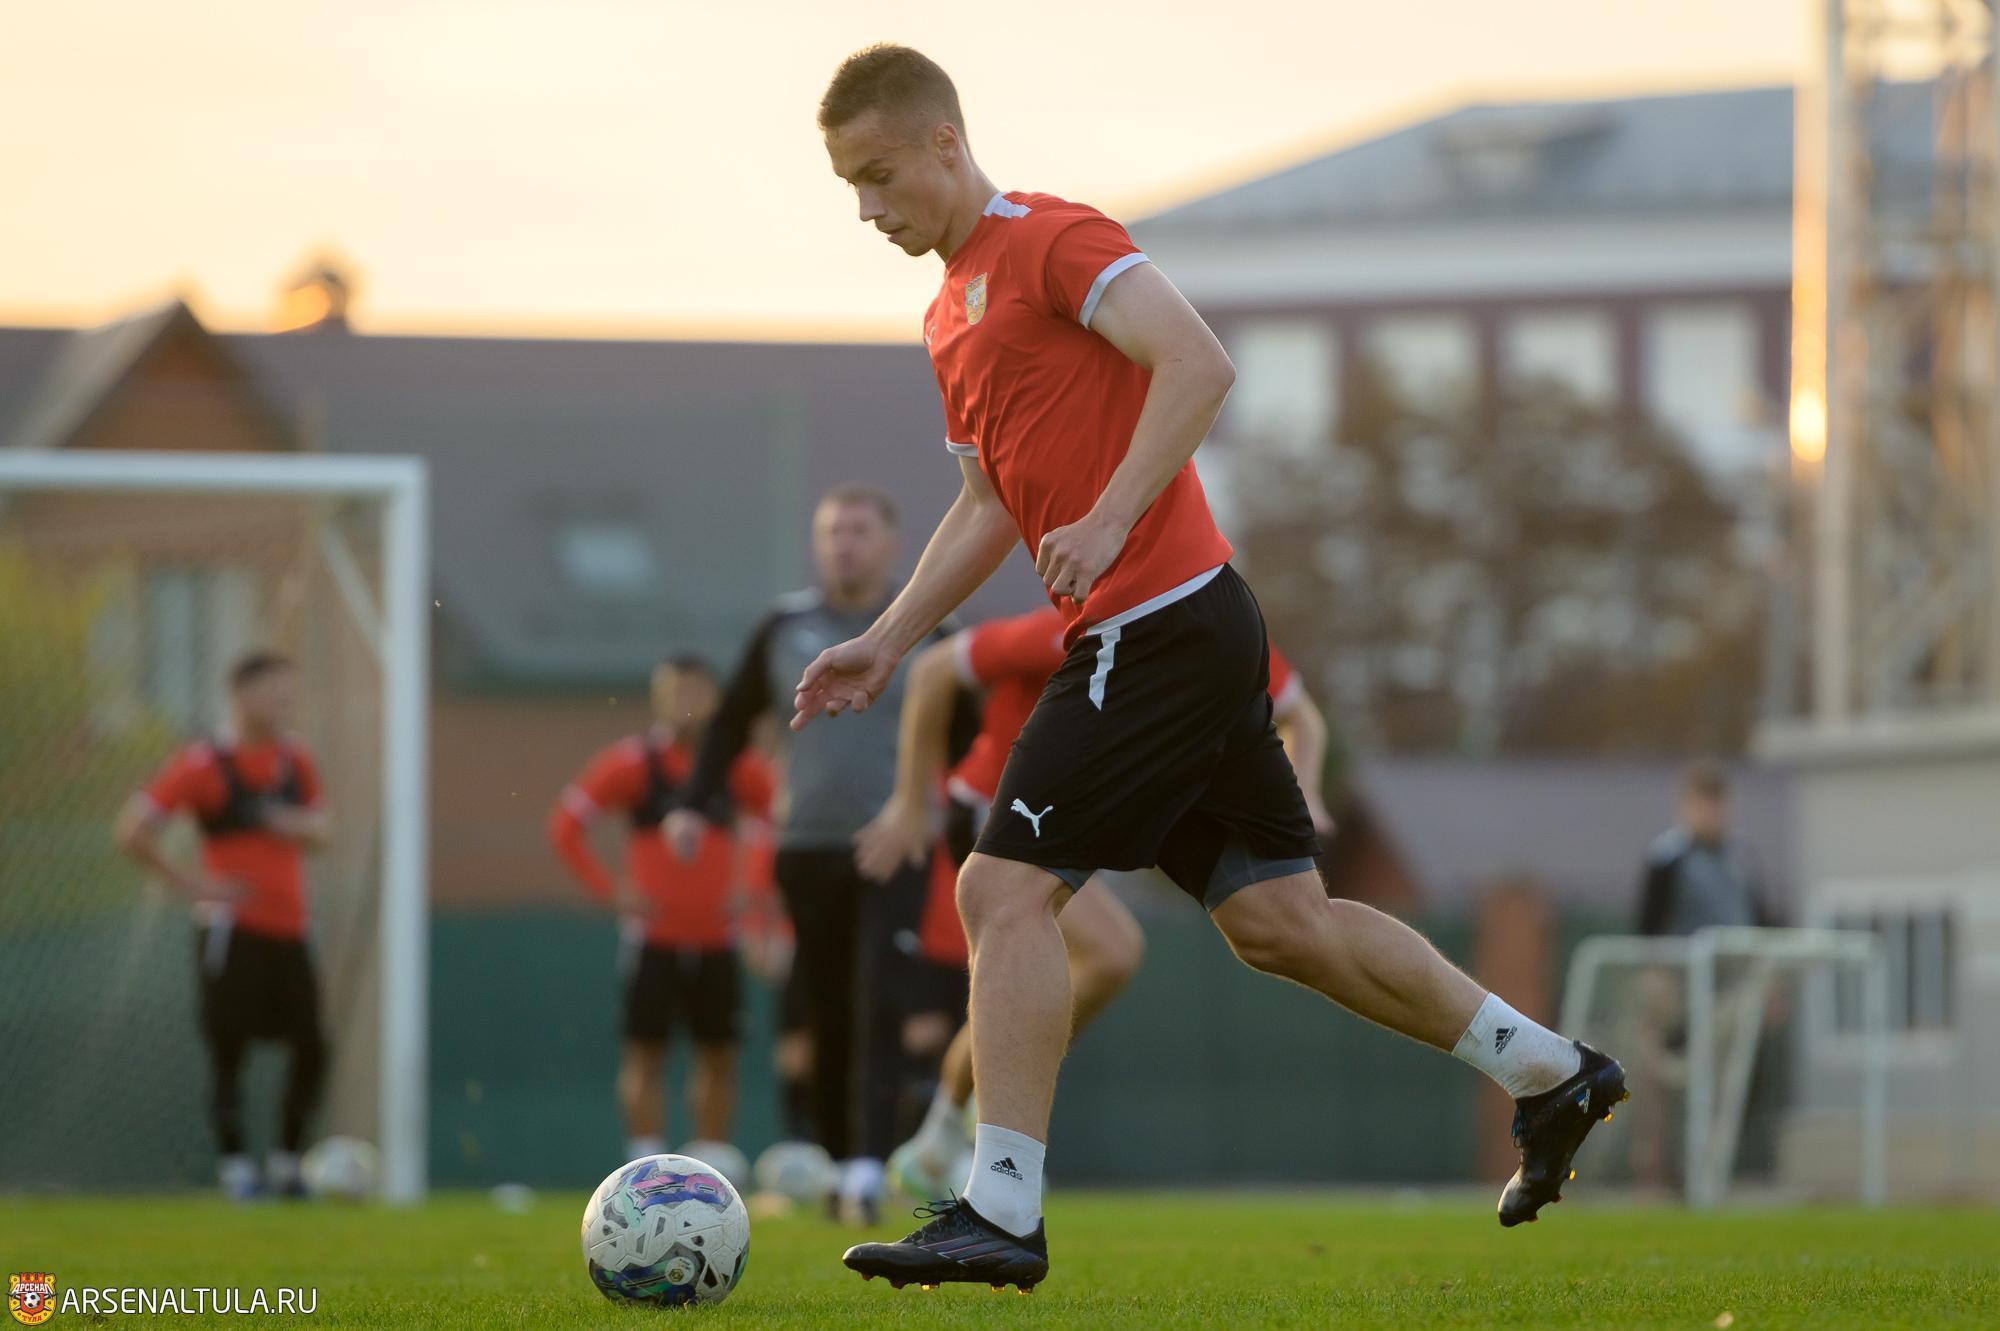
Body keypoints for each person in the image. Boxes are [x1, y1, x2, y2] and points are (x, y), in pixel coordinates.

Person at [803, 44, 1627, 1290]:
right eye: (847, 187)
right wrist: (887, 635)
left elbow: (1198, 362)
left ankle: (999, 1208)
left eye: (878, 174)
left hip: (1159, 623)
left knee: (999, 892)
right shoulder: (946, 315)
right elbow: (986, 504)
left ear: (943, 144)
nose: (867, 207)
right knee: (1280, 924)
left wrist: (1109, 515)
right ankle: (1551, 1071)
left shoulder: (1050, 238)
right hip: (1174, 629)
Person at [857, 606, 1336, 1186]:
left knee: (1077, 968)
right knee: (1109, 952)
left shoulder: (1213, 633)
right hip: (997, 809)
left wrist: (1302, 794)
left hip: (1077, 822)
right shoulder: (1075, 631)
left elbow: (1302, 718)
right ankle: (982, 1138)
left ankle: (943, 1136)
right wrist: (911, 801)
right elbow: (935, 669)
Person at [666, 484, 949, 1224]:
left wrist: (948, 817)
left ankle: (869, 1168)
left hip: (894, 846)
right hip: (807, 847)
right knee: (825, 1009)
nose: (843, 544)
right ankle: (834, 1160)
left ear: (891, 543)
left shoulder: (929, 625)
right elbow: (730, 722)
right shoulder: (785, 626)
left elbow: (976, 736)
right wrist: (692, 803)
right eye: (832, 531)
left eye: (859, 530)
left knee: (882, 997)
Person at [115, 650, 331, 1201]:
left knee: (312, 1046)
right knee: (229, 1050)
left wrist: (293, 824)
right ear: (241, 696)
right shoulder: (201, 764)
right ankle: (237, 1172)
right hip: (231, 931)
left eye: (289, 695)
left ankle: (287, 1167)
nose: (284, 705)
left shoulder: (296, 761)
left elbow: (322, 830)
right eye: (274, 694)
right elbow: (133, 831)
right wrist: (192, 884)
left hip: (291, 929)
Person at [548, 655, 774, 1163]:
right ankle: (645, 1166)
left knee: (719, 1055)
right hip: (652, 938)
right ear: (659, 701)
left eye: (697, 693)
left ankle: (710, 1166)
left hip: (719, 938)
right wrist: (611, 891)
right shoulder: (630, 764)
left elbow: (775, 816)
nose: (687, 704)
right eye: (677, 693)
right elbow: (566, 827)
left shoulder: (736, 765)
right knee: (645, 1054)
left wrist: (753, 887)